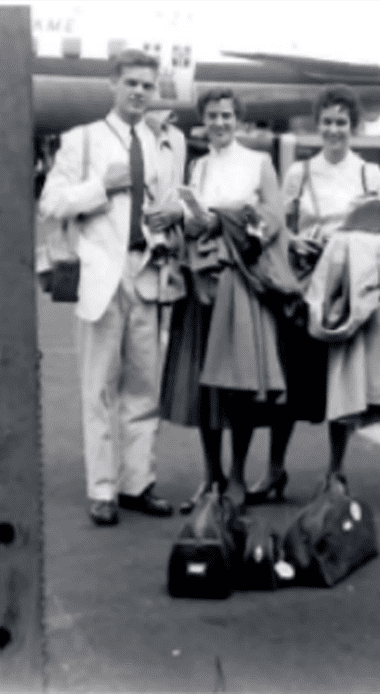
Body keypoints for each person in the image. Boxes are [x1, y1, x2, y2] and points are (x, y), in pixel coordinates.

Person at [39, 49, 175, 526]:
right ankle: (102, 488)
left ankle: (138, 482)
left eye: (147, 85)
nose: (139, 92)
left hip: (146, 270)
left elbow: (158, 204)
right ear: (112, 85)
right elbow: (51, 202)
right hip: (101, 275)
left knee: (144, 387)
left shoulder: (159, 143)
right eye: (131, 83)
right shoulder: (83, 139)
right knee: (98, 386)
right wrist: (102, 185)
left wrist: (162, 228)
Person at [248, 85, 380, 502]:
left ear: (354, 126)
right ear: (318, 126)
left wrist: (355, 246)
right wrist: (297, 240)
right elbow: (279, 228)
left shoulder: (370, 173)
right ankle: (274, 470)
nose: (334, 129)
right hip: (304, 290)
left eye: (342, 122)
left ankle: (336, 473)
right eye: (327, 122)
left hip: (346, 295)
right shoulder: (300, 173)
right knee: (290, 383)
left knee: (342, 383)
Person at [159, 88, 298, 514]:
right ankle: (211, 475)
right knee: (205, 383)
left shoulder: (260, 163)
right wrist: (188, 221)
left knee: (237, 384)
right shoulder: (198, 166)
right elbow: (193, 220)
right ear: (204, 120)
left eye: (227, 116)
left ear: (239, 120)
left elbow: (273, 220)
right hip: (202, 279)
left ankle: (237, 474)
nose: (219, 123)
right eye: (213, 116)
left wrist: (223, 219)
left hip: (241, 282)